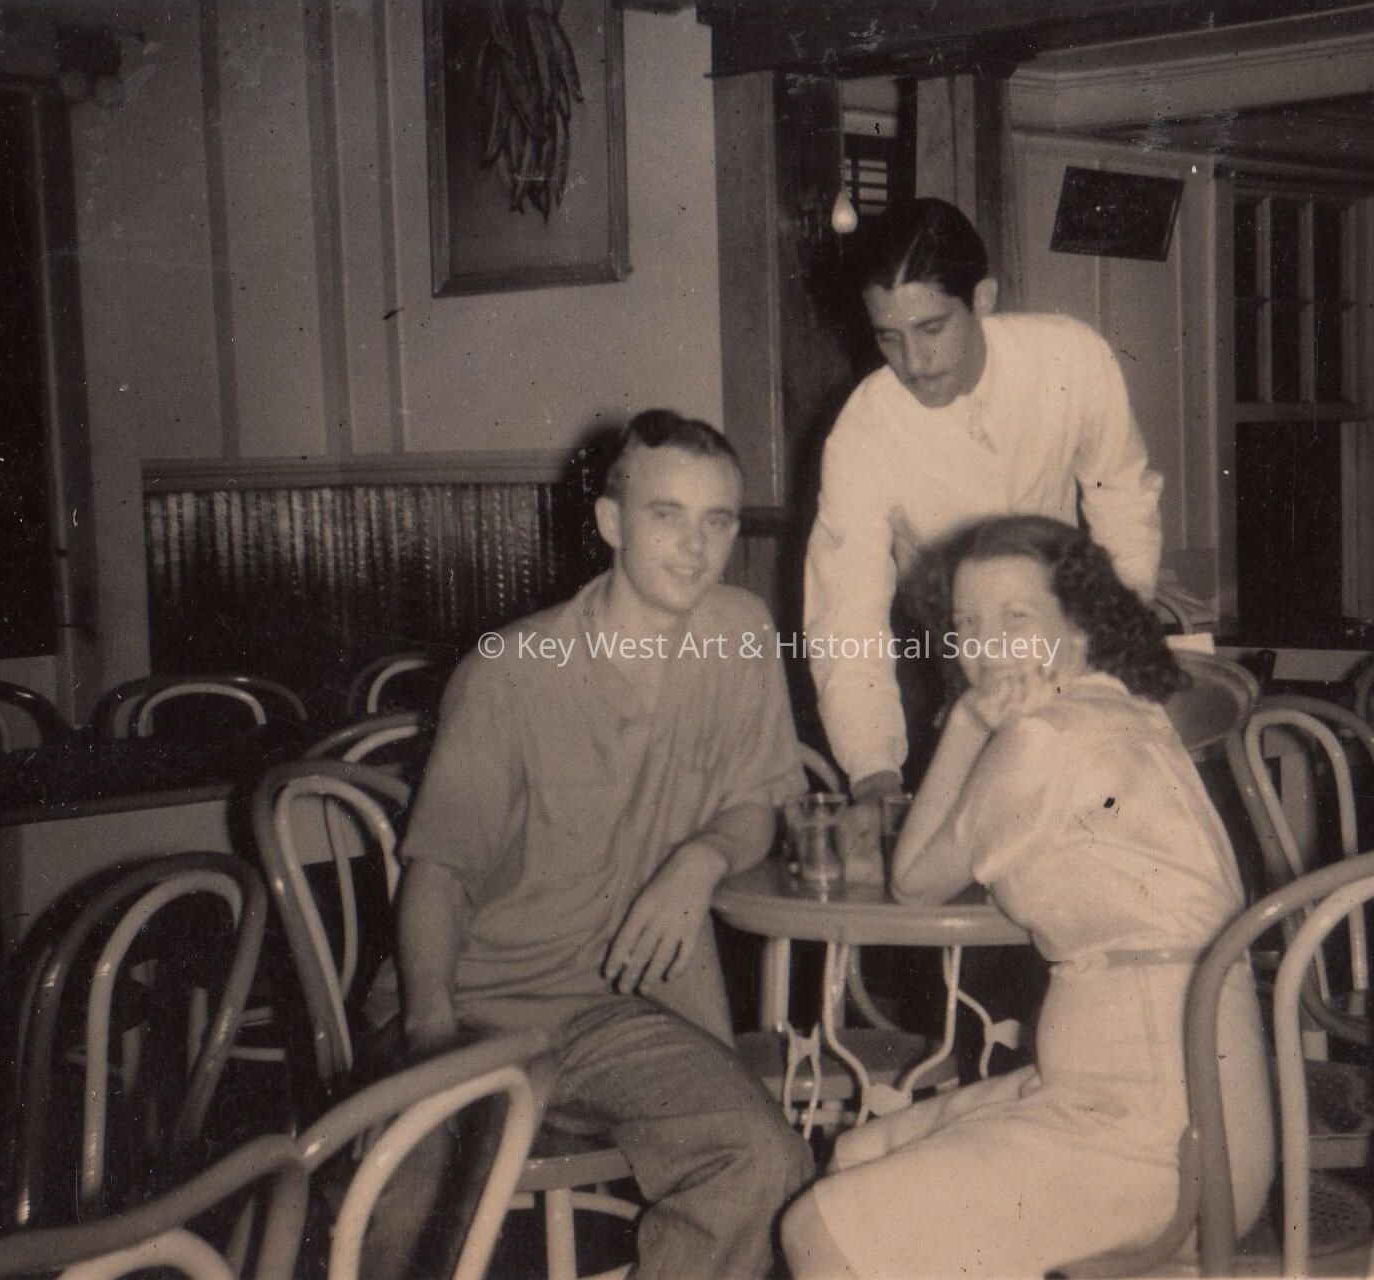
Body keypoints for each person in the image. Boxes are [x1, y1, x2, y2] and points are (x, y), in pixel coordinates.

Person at [780, 514, 1273, 1280]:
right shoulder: (1129, 710)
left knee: (816, 1229)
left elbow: (912, 880)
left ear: (1079, 625)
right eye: (969, 624)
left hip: (1154, 1144)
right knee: (861, 1151)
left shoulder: (1044, 737)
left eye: (1016, 618)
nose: (987, 646)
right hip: (1187, 1123)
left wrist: (969, 720)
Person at [389, 409, 813, 1279]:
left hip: (621, 1014)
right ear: (612, 522)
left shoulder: (738, 632)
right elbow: (438, 872)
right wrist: (429, 1034)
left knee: (763, 1161)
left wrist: (700, 858)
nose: (695, 547)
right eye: (667, 515)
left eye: (718, 521)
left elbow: (753, 805)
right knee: (399, 1228)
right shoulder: (512, 670)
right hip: (476, 1002)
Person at [804, 197, 1165, 813]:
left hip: (1076, 640)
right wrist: (872, 769)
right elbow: (845, 612)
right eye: (889, 337)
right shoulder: (864, 430)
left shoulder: (1071, 359)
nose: (913, 364)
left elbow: (1123, 501)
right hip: (958, 665)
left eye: (931, 329)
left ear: (983, 299)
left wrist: (1116, 648)